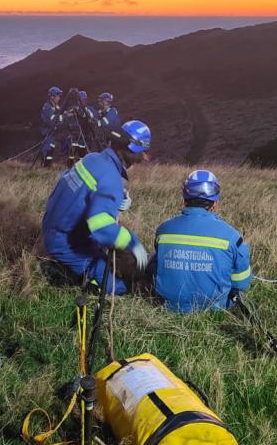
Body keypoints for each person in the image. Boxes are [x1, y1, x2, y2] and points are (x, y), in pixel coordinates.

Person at [40, 120, 152, 295]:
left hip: (53, 226)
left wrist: (115, 195)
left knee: (103, 257)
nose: (144, 158)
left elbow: (74, 185)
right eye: (143, 152)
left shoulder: (92, 158)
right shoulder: (111, 178)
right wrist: (134, 243)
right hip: (65, 242)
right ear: (132, 151)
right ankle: (62, 271)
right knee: (116, 285)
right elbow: (101, 227)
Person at [150, 171, 252, 313]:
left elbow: (156, 267)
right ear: (215, 203)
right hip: (215, 309)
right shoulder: (232, 236)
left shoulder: (163, 229)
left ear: (185, 199)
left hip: (167, 307)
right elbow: (242, 283)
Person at [40, 86, 63, 167]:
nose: (59, 98)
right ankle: (43, 168)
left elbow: (60, 119)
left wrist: (65, 115)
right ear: (52, 97)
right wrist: (61, 117)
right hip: (47, 132)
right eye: (58, 96)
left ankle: (47, 168)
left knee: (51, 150)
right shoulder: (47, 107)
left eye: (59, 96)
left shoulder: (57, 107)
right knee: (46, 150)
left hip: (53, 133)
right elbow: (52, 120)